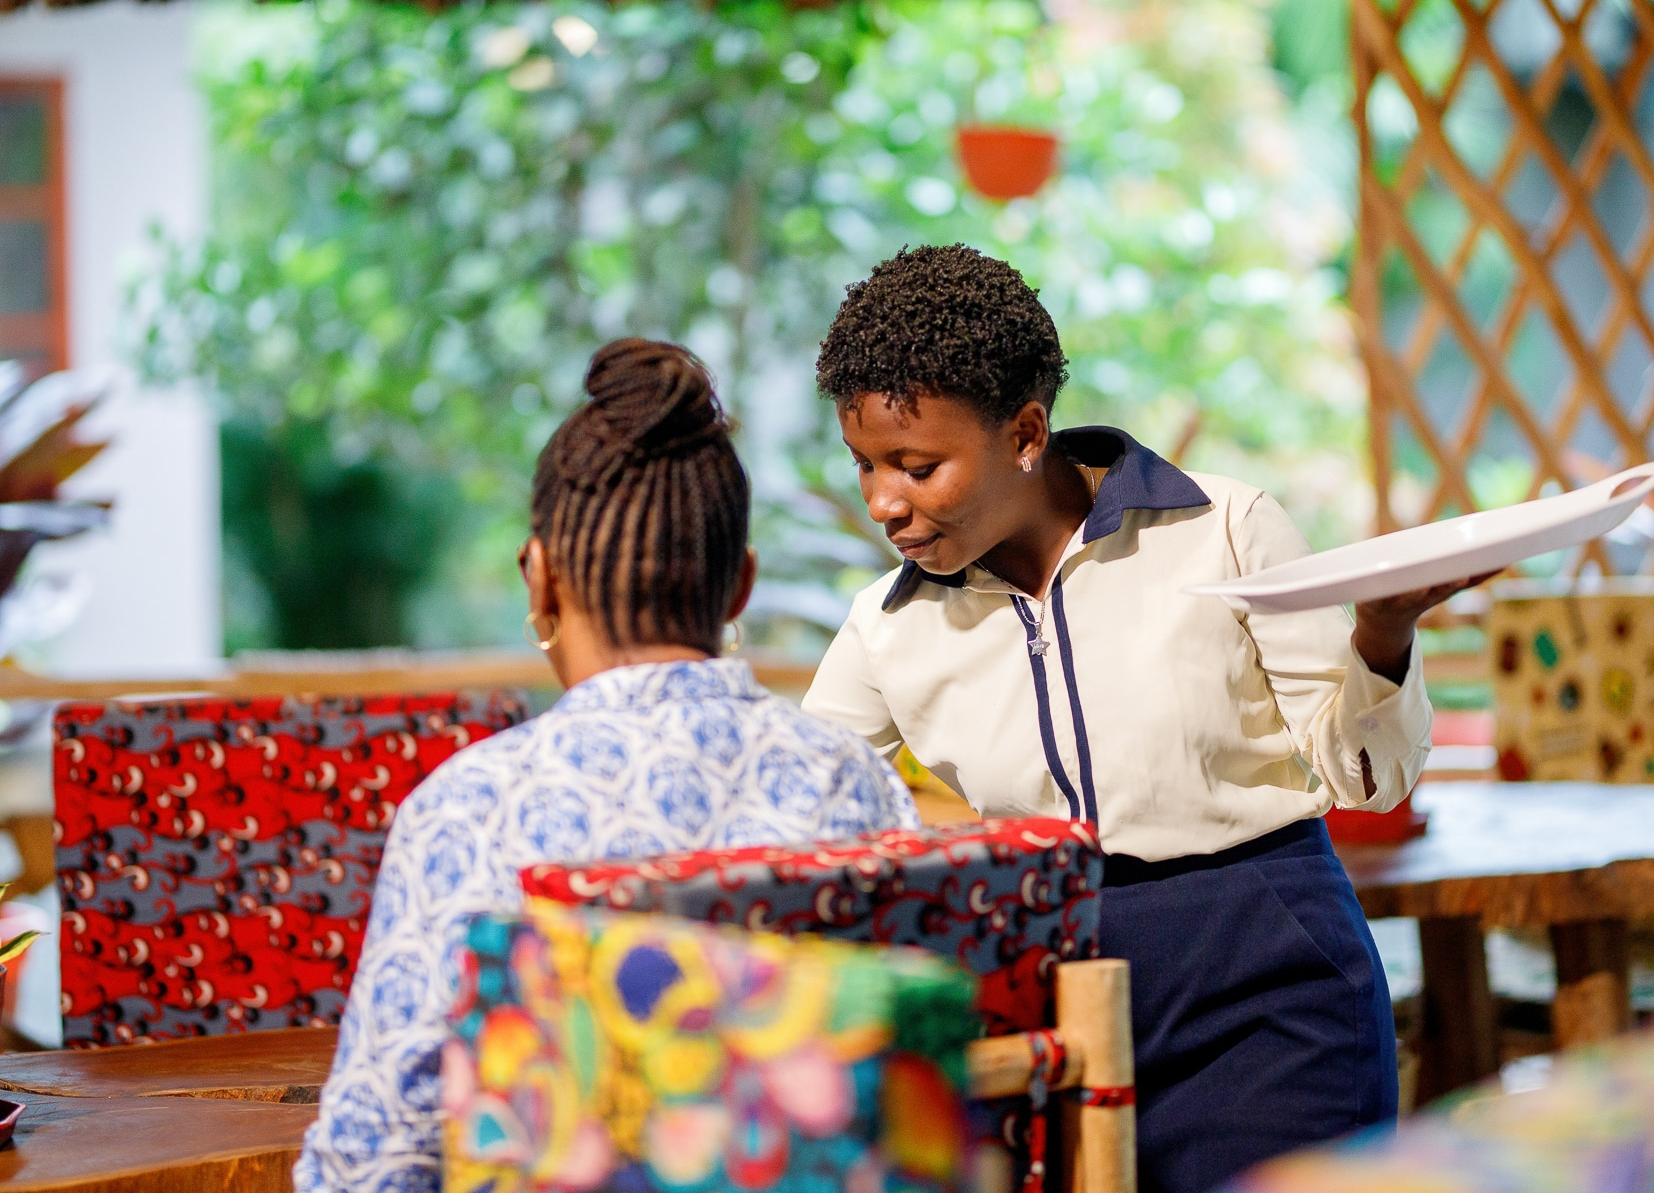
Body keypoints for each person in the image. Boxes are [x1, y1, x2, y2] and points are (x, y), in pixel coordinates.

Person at [802, 245, 1483, 1191]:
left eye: (917, 465)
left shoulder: (1228, 530)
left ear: (1027, 432)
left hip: (1269, 981)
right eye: (866, 464)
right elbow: (797, 800)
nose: (884, 501)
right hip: (1048, 1002)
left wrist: (1382, 634)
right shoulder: (887, 626)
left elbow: (1369, 776)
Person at [297, 338, 920, 1193]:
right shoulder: (856, 784)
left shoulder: (469, 810)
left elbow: (373, 1161)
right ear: (739, 584)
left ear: (540, 577)